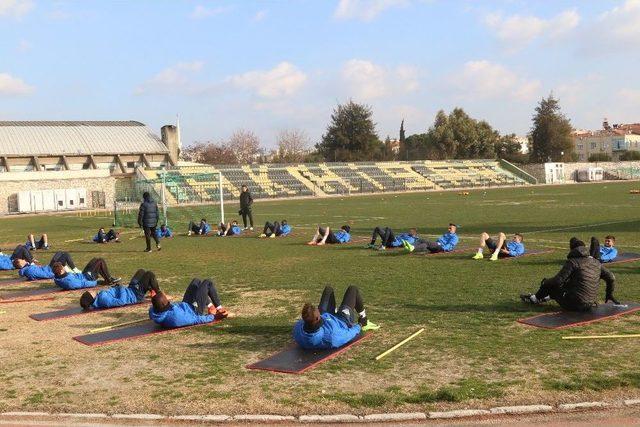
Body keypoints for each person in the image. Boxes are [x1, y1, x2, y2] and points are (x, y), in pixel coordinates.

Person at [520, 237, 618, 311]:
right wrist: (609, 293)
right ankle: (543, 298)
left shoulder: (573, 262)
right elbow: (611, 277)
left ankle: (534, 299)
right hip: (590, 302)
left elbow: (557, 281)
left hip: (576, 303)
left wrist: (545, 282)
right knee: (566, 284)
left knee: (549, 284)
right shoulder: (596, 262)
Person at [293, 285, 379, 350]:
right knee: (352, 289)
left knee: (328, 290)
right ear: (316, 318)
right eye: (318, 312)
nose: (318, 310)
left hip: (328, 318)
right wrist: (360, 325)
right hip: (343, 320)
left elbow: (309, 319)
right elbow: (349, 334)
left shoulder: (298, 328)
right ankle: (365, 320)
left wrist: (322, 314)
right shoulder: (331, 337)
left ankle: (333, 311)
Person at [149, 278, 229, 328]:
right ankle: (219, 309)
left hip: (185, 306)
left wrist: (155, 298)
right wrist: (213, 316)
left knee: (196, 282)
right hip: (195, 310)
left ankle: (210, 305)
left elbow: (156, 304)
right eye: (165, 297)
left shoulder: (154, 311)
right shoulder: (177, 317)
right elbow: (196, 320)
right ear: (164, 304)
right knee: (207, 282)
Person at [80, 269, 160, 309]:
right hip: (135, 295)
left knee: (141, 271)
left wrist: (116, 287)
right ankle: (159, 296)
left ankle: (152, 290)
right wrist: (121, 287)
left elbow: (114, 293)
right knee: (149, 274)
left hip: (130, 289)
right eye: (89, 292)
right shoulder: (103, 300)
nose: (91, 291)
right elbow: (121, 301)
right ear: (90, 297)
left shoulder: (99, 296)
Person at [53, 257, 121, 290]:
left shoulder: (57, 277)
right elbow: (82, 284)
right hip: (88, 278)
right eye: (63, 267)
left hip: (83, 275)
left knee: (94, 260)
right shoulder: (69, 282)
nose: (65, 268)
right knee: (100, 261)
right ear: (61, 271)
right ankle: (109, 280)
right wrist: (97, 282)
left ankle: (108, 279)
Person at [13, 251, 79, 281]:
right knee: (65, 254)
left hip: (49, 268)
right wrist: (54, 274)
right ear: (20, 264)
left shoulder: (27, 268)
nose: (23, 259)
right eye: (21, 260)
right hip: (51, 270)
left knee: (60, 253)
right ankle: (75, 270)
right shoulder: (28, 270)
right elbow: (42, 275)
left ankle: (66, 268)